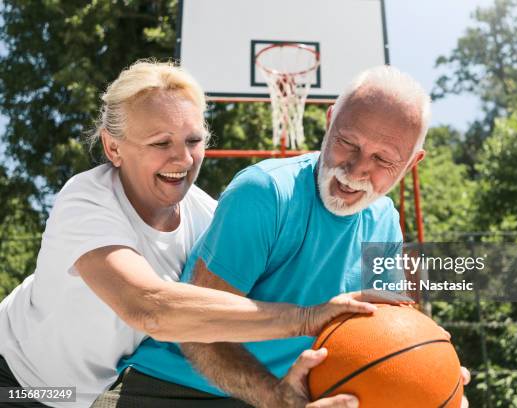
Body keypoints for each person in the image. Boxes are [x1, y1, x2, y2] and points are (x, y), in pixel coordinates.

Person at [0, 60, 380, 408]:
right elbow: (148, 308)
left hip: (90, 396)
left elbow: (224, 319)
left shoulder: (207, 215)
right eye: (160, 143)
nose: (182, 159)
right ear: (113, 147)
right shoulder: (87, 201)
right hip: (19, 379)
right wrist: (305, 317)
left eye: (193, 141)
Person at [96, 66, 470, 408]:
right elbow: (197, 333)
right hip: (173, 388)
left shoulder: (385, 220)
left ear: (410, 163)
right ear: (329, 122)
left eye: (383, 160)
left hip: (282, 394)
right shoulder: (267, 193)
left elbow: (386, 336)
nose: (356, 169)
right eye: (348, 144)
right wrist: (273, 396)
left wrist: (431, 372)